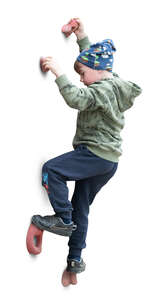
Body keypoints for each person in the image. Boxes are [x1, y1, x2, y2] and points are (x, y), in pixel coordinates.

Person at [32, 18, 142, 286]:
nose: (81, 79)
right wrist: (81, 36)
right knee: (81, 206)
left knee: (52, 170)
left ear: (94, 71)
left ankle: (62, 219)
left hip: (94, 154)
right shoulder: (113, 81)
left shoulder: (99, 91)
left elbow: (75, 99)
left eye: (82, 74)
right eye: (78, 75)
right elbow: (93, 62)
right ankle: (74, 262)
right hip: (109, 161)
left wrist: (59, 72)